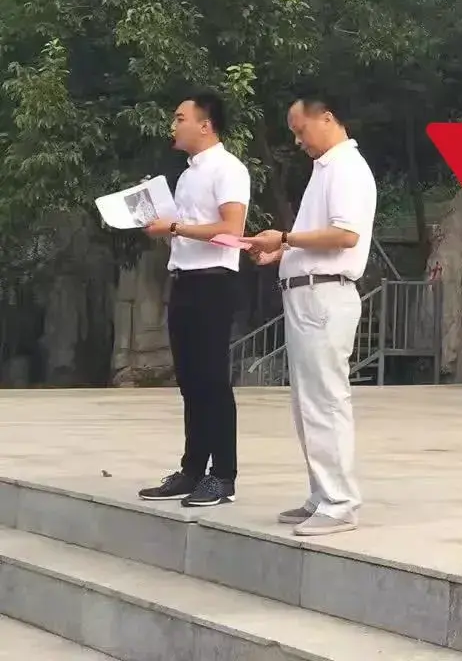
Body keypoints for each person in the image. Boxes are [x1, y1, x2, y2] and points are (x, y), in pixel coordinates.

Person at [245, 91, 376, 537]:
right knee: (308, 404)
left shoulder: (346, 168)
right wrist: (280, 252)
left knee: (325, 401)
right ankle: (322, 494)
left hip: (326, 297)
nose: (298, 141)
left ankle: (340, 502)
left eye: (300, 131)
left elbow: (345, 235)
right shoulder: (325, 170)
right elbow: (317, 239)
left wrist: (284, 238)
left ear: (327, 118)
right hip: (306, 294)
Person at [138, 91, 251, 508]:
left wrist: (176, 227)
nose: (174, 125)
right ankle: (192, 469)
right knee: (189, 381)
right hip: (184, 279)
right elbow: (184, 229)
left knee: (212, 380)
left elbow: (232, 229)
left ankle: (223, 476)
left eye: (180, 118)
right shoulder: (186, 176)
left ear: (205, 125)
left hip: (213, 282)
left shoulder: (228, 168)